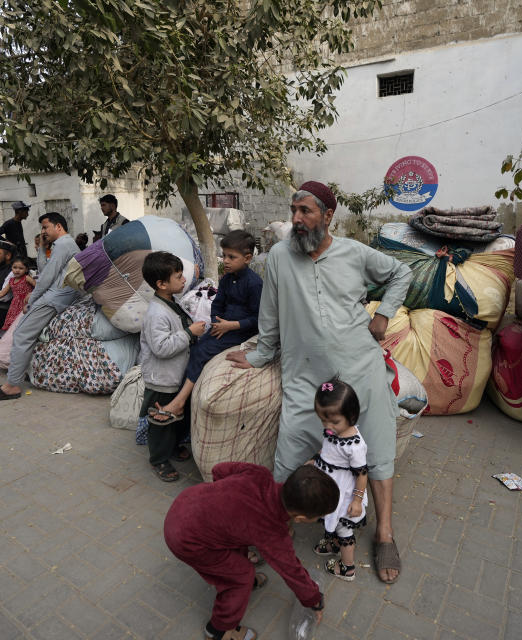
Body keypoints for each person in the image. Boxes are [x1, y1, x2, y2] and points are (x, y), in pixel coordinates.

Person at [226, 181, 410, 584]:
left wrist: (384, 315)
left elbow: (401, 273)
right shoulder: (278, 257)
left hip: (360, 371)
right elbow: (270, 316)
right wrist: (258, 355)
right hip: (304, 377)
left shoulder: (354, 253)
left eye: (306, 211)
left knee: (377, 451)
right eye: (294, 210)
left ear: (328, 216)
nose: (296, 219)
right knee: (289, 452)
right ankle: (275, 527)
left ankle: (383, 533)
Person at [164, 463, 334, 640]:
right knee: (240, 577)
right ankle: (218, 630)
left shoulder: (259, 473)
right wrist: (314, 600)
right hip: (185, 539)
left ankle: (244, 585)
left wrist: (223, 502)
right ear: (299, 518)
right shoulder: (272, 531)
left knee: (238, 539)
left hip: (186, 502)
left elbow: (218, 470)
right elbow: (291, 570)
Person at [149, 230, 262, 425]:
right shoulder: (226, 279)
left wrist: (231, 326)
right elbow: (218, 304)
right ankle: (181, 407)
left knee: (201, 352)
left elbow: (259, 318)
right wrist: (216, 322)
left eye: (231, 257)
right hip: (221, 327)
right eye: (224, 255)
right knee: (194, 350)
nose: (225, 261)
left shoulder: (254, 284)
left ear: (248, 258)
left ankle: (179, 402)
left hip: (240, 332)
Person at [0, 212, 80, 401]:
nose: (43, 231)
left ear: (58, 227)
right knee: (22, 334)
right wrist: (43, 248)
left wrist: (33, 300)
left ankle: (11, 385)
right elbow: (45, 270)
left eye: (45, 227)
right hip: (54, 295)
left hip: (54, 298)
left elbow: (45, 278)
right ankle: (17, 376)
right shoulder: (60, 246)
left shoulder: (65, 244)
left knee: (21, 334)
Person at [138, 251, 207, 481]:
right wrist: (189, 334)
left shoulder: (171, 302)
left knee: (177, 416)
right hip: (162, 379)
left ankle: (174, 446)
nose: (184, 279)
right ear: (162, 284)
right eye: (178, 276)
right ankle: (158, 458)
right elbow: (161, 348)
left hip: (175, 376)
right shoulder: (156, 313)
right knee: (161, 420)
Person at [309, 377, 368, 582]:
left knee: (344, 528)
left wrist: (357, 501)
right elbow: (327, 449)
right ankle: (332, 542)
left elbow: (362, 474)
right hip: (329, 487)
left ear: (351, 416)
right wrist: (315, 460)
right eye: (323, 420)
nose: (328, 426)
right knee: (329, 517)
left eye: (334, 422)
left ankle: (347, 567)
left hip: (343, 494)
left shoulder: (355, 446)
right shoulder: (333, 431)